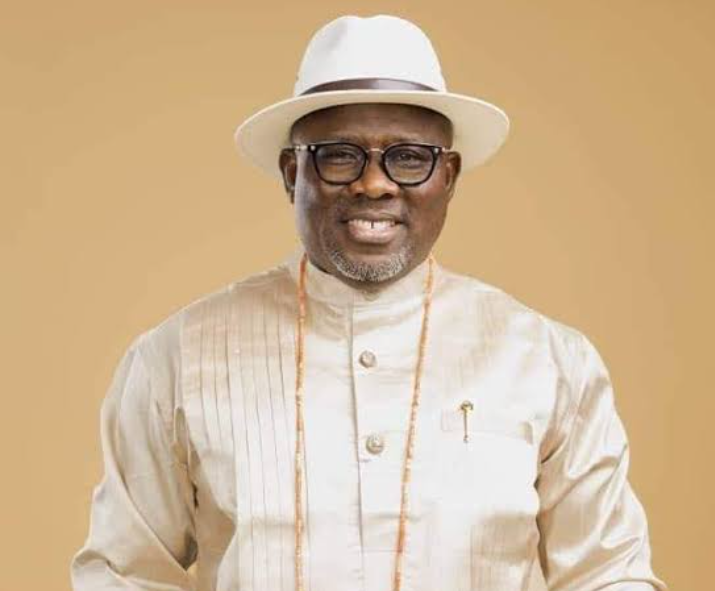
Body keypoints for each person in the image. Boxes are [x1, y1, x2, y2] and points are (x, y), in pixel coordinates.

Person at [71, 14, 667, 591]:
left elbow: (609, 574)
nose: (374, 184)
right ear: (291, 173)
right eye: (339, 155)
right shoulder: (177, 359)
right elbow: (122, 574)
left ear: (449, 176)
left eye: (409, 157)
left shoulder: (548, 361)